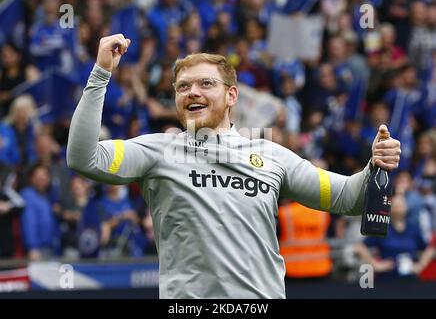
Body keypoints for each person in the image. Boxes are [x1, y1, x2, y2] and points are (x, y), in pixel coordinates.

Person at [67, 34, 402, 299]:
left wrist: (374, 167)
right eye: (183, 87)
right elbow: (84, 158)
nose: (192, 92)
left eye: (205, 84)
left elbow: (348, 197)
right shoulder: (158, 150)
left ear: (231, 96)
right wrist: (100, 75)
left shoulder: (271, 154)